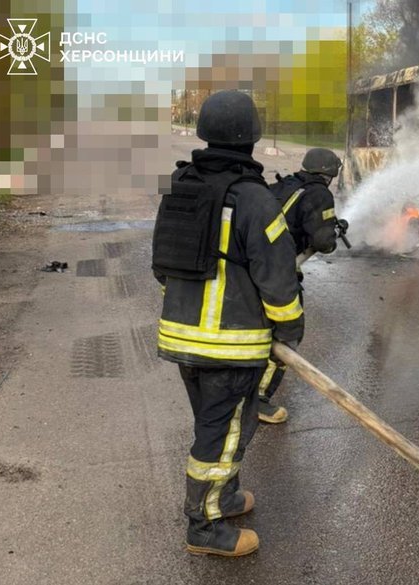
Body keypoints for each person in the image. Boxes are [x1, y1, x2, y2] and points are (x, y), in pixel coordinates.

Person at [153, 90, 303, 557]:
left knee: (215, 427)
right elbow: (278, 280)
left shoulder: (179, 186)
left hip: (183, 341)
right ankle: (204, 527)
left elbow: (162, 264)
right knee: (222, 435)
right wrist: (289, 329)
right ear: (253, 136)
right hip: (232, 349)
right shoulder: (255, 200)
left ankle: (226, 496)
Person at [256, 148, 347, 424]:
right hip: (280, 274)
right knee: (288, 332)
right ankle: (257, 399)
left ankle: (239, 391)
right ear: (329, 173)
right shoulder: (319, 194)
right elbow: (323, 242)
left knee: (258, 332)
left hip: (254, 267)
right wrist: (334, 231)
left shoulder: (284, 185)